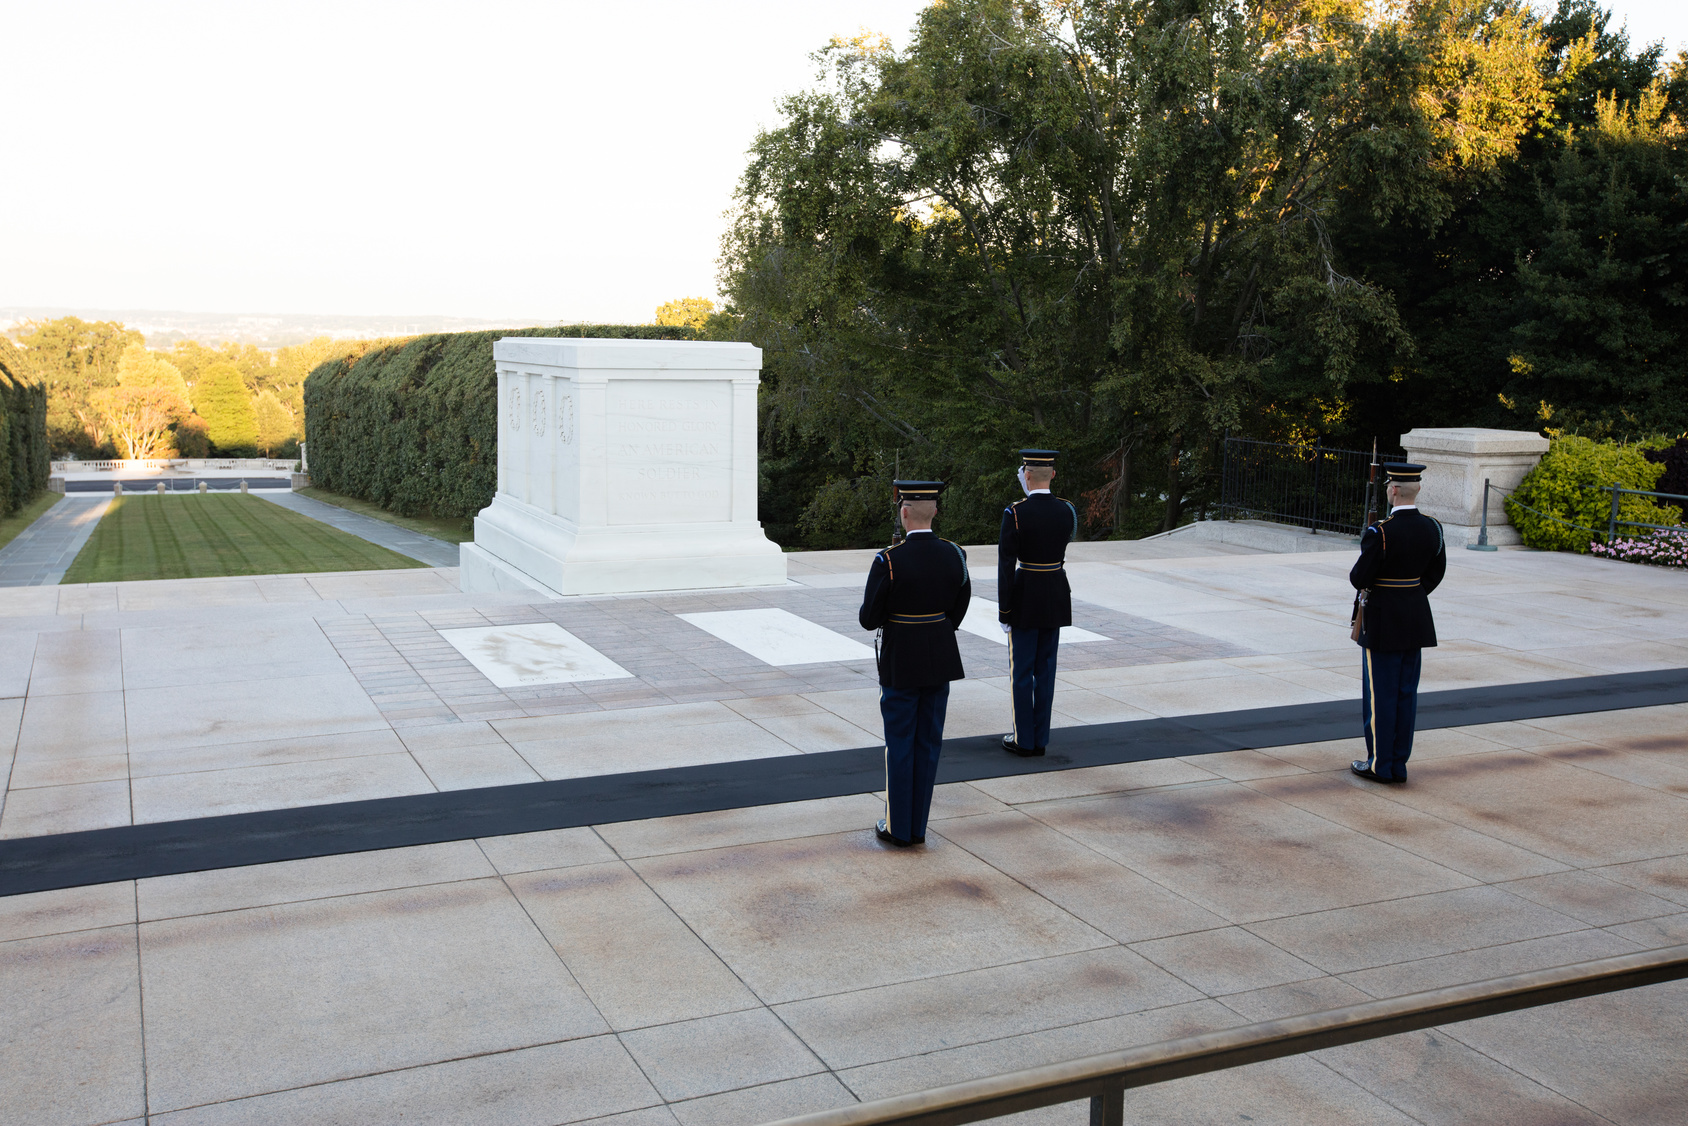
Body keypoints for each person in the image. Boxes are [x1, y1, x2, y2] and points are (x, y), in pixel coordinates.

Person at [859, 480, 972, 847]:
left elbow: (869, 618)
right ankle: (918, 827)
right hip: (940, 655)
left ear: (904, 512)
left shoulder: (888, 560)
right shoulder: (955, 555)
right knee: (928, 742)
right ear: (935, 510)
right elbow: (959, 607)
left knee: (900, 743)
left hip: (901, 660)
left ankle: (897, 827)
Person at [1349, 463, 1446, 784]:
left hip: (1382, 620)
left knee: (1381, 696)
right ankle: (1398, 764)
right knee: (1406, 693)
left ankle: (1379, 764)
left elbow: (1359, 577)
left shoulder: (1381, 531)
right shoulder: (1433, 528)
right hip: (1416, 616)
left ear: (1392, 490)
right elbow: (1435, 573)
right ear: (1416, 489)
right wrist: (1410, 594)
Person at [997, 449, 1078, 757]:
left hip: (1025, 596)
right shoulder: (1067, 509)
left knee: (1022, 671)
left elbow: (1006, 564)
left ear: (1026, 475)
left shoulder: (1015, 513)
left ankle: (1023, 739)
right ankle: (1041, 737)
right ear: (1053, 475)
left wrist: (1005, 609)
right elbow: (1064, 539)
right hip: (1055, 594)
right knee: (1046, 669)